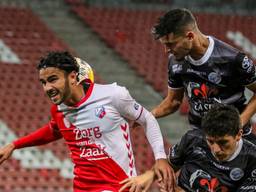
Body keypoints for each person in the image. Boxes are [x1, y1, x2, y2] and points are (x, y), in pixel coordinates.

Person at [0, 51, 174, 192]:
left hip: (118, 186)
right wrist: (14, 145)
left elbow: (147, 119)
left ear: (73, 77)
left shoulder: (113, 95)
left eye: (53, 79)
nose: (47, 88)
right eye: (43, 82)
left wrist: (160, 158)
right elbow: (53, 131)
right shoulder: (58, 110)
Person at [150, 8, 256, 143]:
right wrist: (146, 116)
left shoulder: (233, 59)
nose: (167, 51)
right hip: (201, 138)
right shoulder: (175, 61)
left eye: (171, 44)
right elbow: (173, 102)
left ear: (190, 36)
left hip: (234, 139)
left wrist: (240, 122)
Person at [120, 104, 256, 192]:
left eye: (223, 142)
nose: (216, 150)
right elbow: (170, 164)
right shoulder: (193, 138)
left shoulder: (252, 158)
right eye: (210, 141)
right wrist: (150, 175)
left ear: (239, 134)